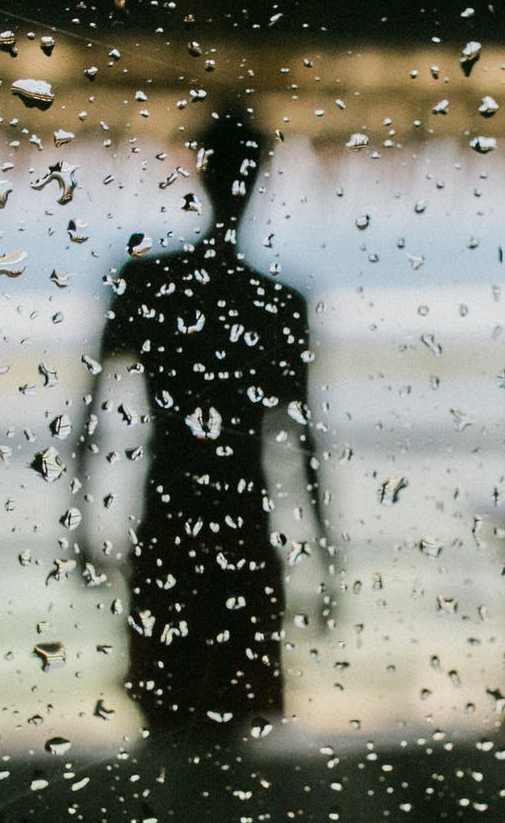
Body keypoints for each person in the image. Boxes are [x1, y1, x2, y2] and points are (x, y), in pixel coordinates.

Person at [75, 105, 331, 740]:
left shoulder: (151, 284)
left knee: (172, 711)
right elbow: (299, 446)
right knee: (222, 715)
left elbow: (92, 414)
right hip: (235, 520)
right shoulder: (274, 305)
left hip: (177, 514)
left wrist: (81, 518)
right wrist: (323, 554)